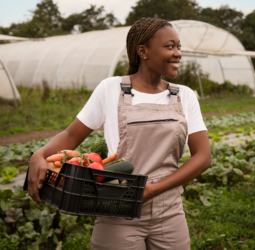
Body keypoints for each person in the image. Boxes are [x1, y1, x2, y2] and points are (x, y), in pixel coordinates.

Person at [28, 17, 211, 250]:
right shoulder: (111, 88)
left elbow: (203, 156)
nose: (178, 53)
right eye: (169, 46)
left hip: (169, 210)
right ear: (143, 51)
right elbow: (72, 135)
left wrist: (153, 189)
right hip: (117, 206)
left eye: (178, 46)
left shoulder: (184, 96)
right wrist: (40, 154)